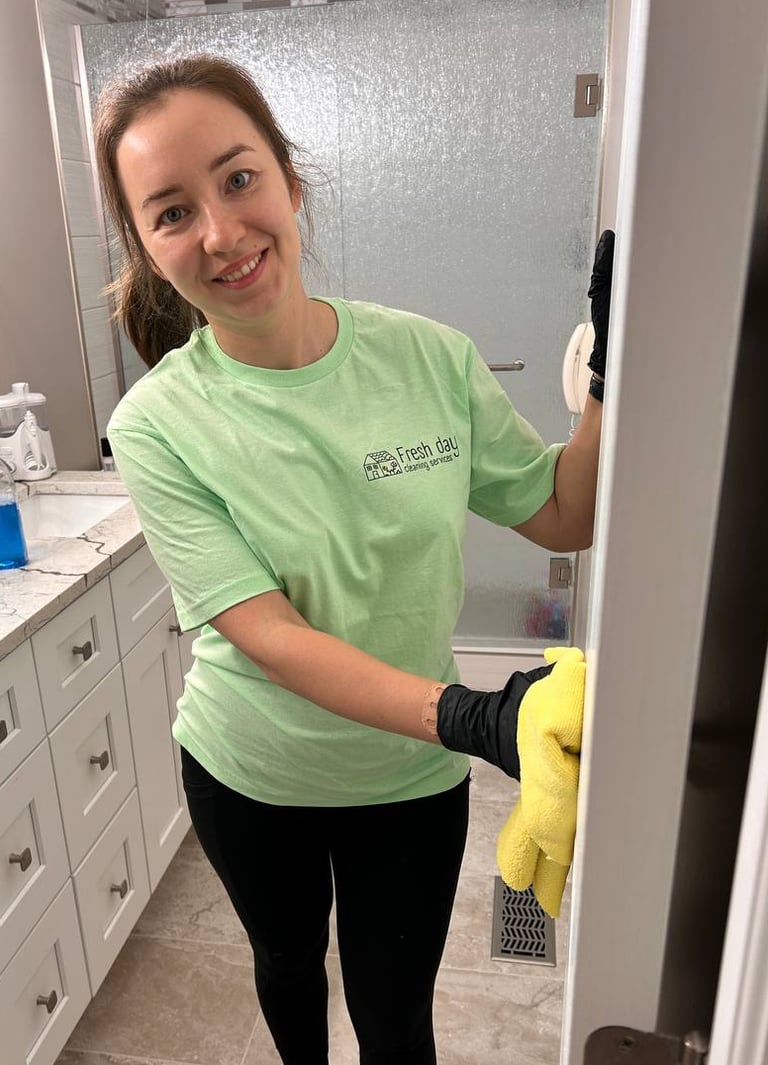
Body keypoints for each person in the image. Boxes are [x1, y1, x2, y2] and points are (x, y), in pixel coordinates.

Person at [95, 53, 613, 1065]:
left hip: (408, 783)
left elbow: (561, 514)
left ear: (291, 181)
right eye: (171, 212)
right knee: (288, 968)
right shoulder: (157, 426)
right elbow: (272, 639)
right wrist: (473, 714)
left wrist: (613, 377)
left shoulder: (428, 357)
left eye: (239, 179)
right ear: (149, 250)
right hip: (251, 772)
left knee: (395, 1021)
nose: (220, 232)